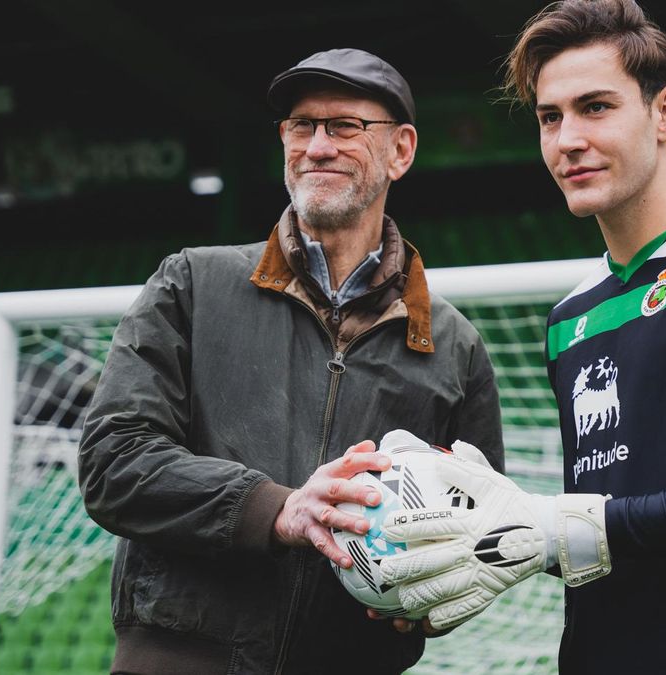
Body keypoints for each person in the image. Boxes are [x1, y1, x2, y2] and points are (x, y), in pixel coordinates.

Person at [376, 2, 666, 673]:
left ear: (665, 113)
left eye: (595, 108)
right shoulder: (570, 316)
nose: (567, 139)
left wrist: (559, 525)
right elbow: (617, 528)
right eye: (550, 117)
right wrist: (490, 539)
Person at [78, 48, 504, 675]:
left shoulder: (454, 345)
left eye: (344, 127)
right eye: (301, 126)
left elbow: (476, 529)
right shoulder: (191, 284)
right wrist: (276, 509)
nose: (317, 146)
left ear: (402, 150)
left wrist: (424, 598)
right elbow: (113, 461)